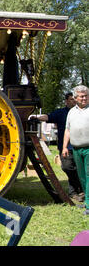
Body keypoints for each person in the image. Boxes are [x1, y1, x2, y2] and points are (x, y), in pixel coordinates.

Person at [30, 93, 83, 201]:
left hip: (79, 146)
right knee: (67, 167)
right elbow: (47, 117)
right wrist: (36, 117)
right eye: (71, 99)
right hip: (65, 147)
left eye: (75, 99)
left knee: (78, 169)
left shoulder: (81, 112)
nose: (74, 101)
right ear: (66, 101)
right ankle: (80, 189)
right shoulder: (61, 113)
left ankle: (74, 193)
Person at [62, 85, 89, 215]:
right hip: (76, 149)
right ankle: (87, 202)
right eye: (81, 96)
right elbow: (67, 130)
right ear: (76, 98)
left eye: (86, 96)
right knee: (82, 176)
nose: (84, 98)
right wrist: (64, 147)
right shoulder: (71, 112)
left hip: (88, 148)